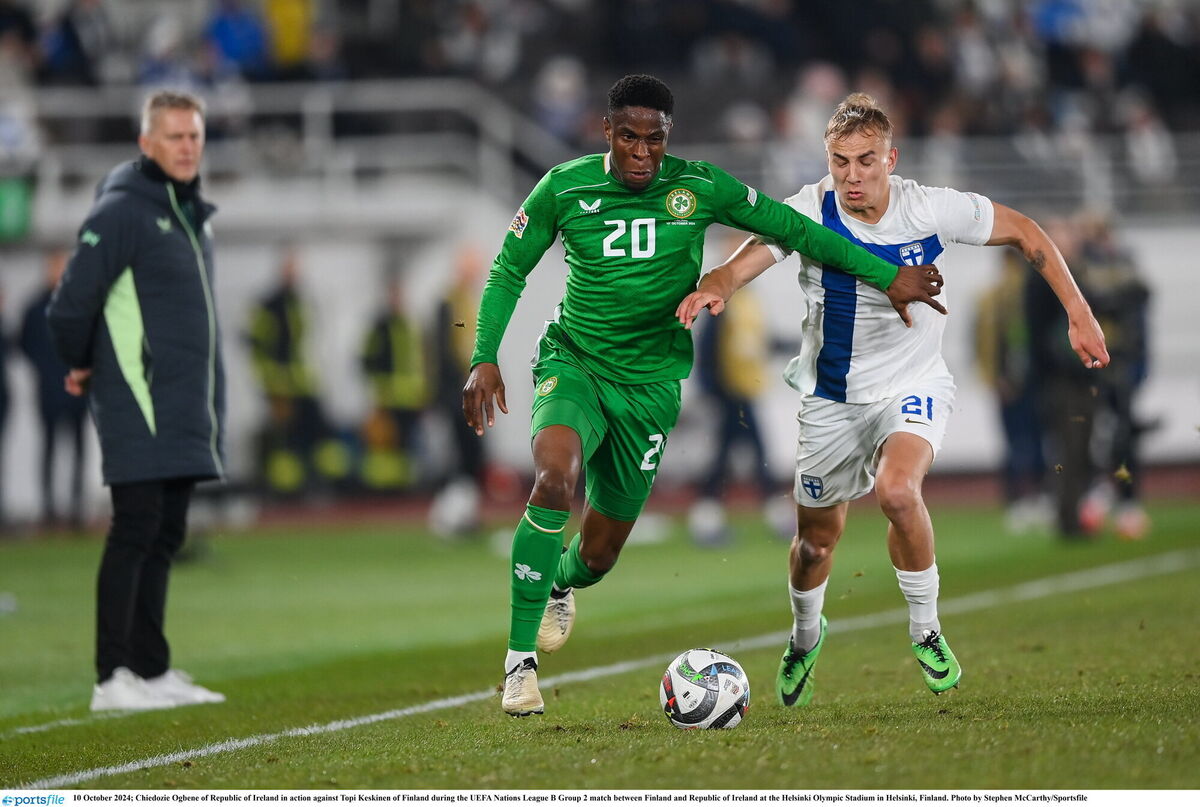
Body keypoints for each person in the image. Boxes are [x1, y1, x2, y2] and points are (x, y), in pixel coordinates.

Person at [462, 75, 947, 718]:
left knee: (599, 554)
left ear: (669, 137)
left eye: (654, 140)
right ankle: (519, 665)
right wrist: (484, 356)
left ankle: (561, 582)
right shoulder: (563, 187)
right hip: (573, 363)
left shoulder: (700, 186)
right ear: (606, 132)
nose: (641, 152)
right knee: (555, 479)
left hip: (651, 386)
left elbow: (798, 230)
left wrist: (888, 277)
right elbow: (508, 270)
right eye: (628, 137)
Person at [676, 93, 1109, 707]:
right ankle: (805, 637)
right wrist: (719, 282)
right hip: (831, 400)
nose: (851, 176)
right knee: (815, 544)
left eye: (865, 161)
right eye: (840, 161)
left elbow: (1025, 231)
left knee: (899, 491)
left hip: (914, 383)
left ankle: (925, 630)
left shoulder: (928, 208)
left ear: (891, 158)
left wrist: (1078, 311)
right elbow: (751, 252)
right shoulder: (810, 209)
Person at [47, 90, 227, 712]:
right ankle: (111, 676)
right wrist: (80, 361)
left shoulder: (192, 216)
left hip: (183, 404)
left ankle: (150, 670)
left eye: (194, 135)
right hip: (139, 397)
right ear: (146, 143)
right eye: (174, 136)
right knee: (135, 528)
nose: (187, 147)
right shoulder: (122, 210)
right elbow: (70, 305)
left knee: (166, 532)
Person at [246, 246, 348, 495]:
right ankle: (286, 494)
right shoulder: (269, 305)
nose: (293, 272)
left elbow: (309, 346)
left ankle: (325, 486)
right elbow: (257, 347)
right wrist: (270, 387)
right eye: (289, 267)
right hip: (281, 387)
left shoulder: (303, 302)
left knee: (321, 438)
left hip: (306, 384)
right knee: (286, 445)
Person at [20, 248, 90, 530]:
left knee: (78, 449)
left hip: (77, 391)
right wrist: (45, 370)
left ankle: (76, 507)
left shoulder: (80, 304)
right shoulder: (35, 309)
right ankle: (49, 508)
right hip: (49, 392)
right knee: (49, 448)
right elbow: (25, 344)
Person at [359, 269, 429, 491]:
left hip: (408, 397)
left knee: (405, 443)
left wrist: (421, 392)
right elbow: (367, 359)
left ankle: (402, 484)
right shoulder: (381, 326)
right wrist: (378, 387)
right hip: (388, 396)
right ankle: (383, 486)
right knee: (386, 443)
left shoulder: (409, 325)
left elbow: (417, 362)